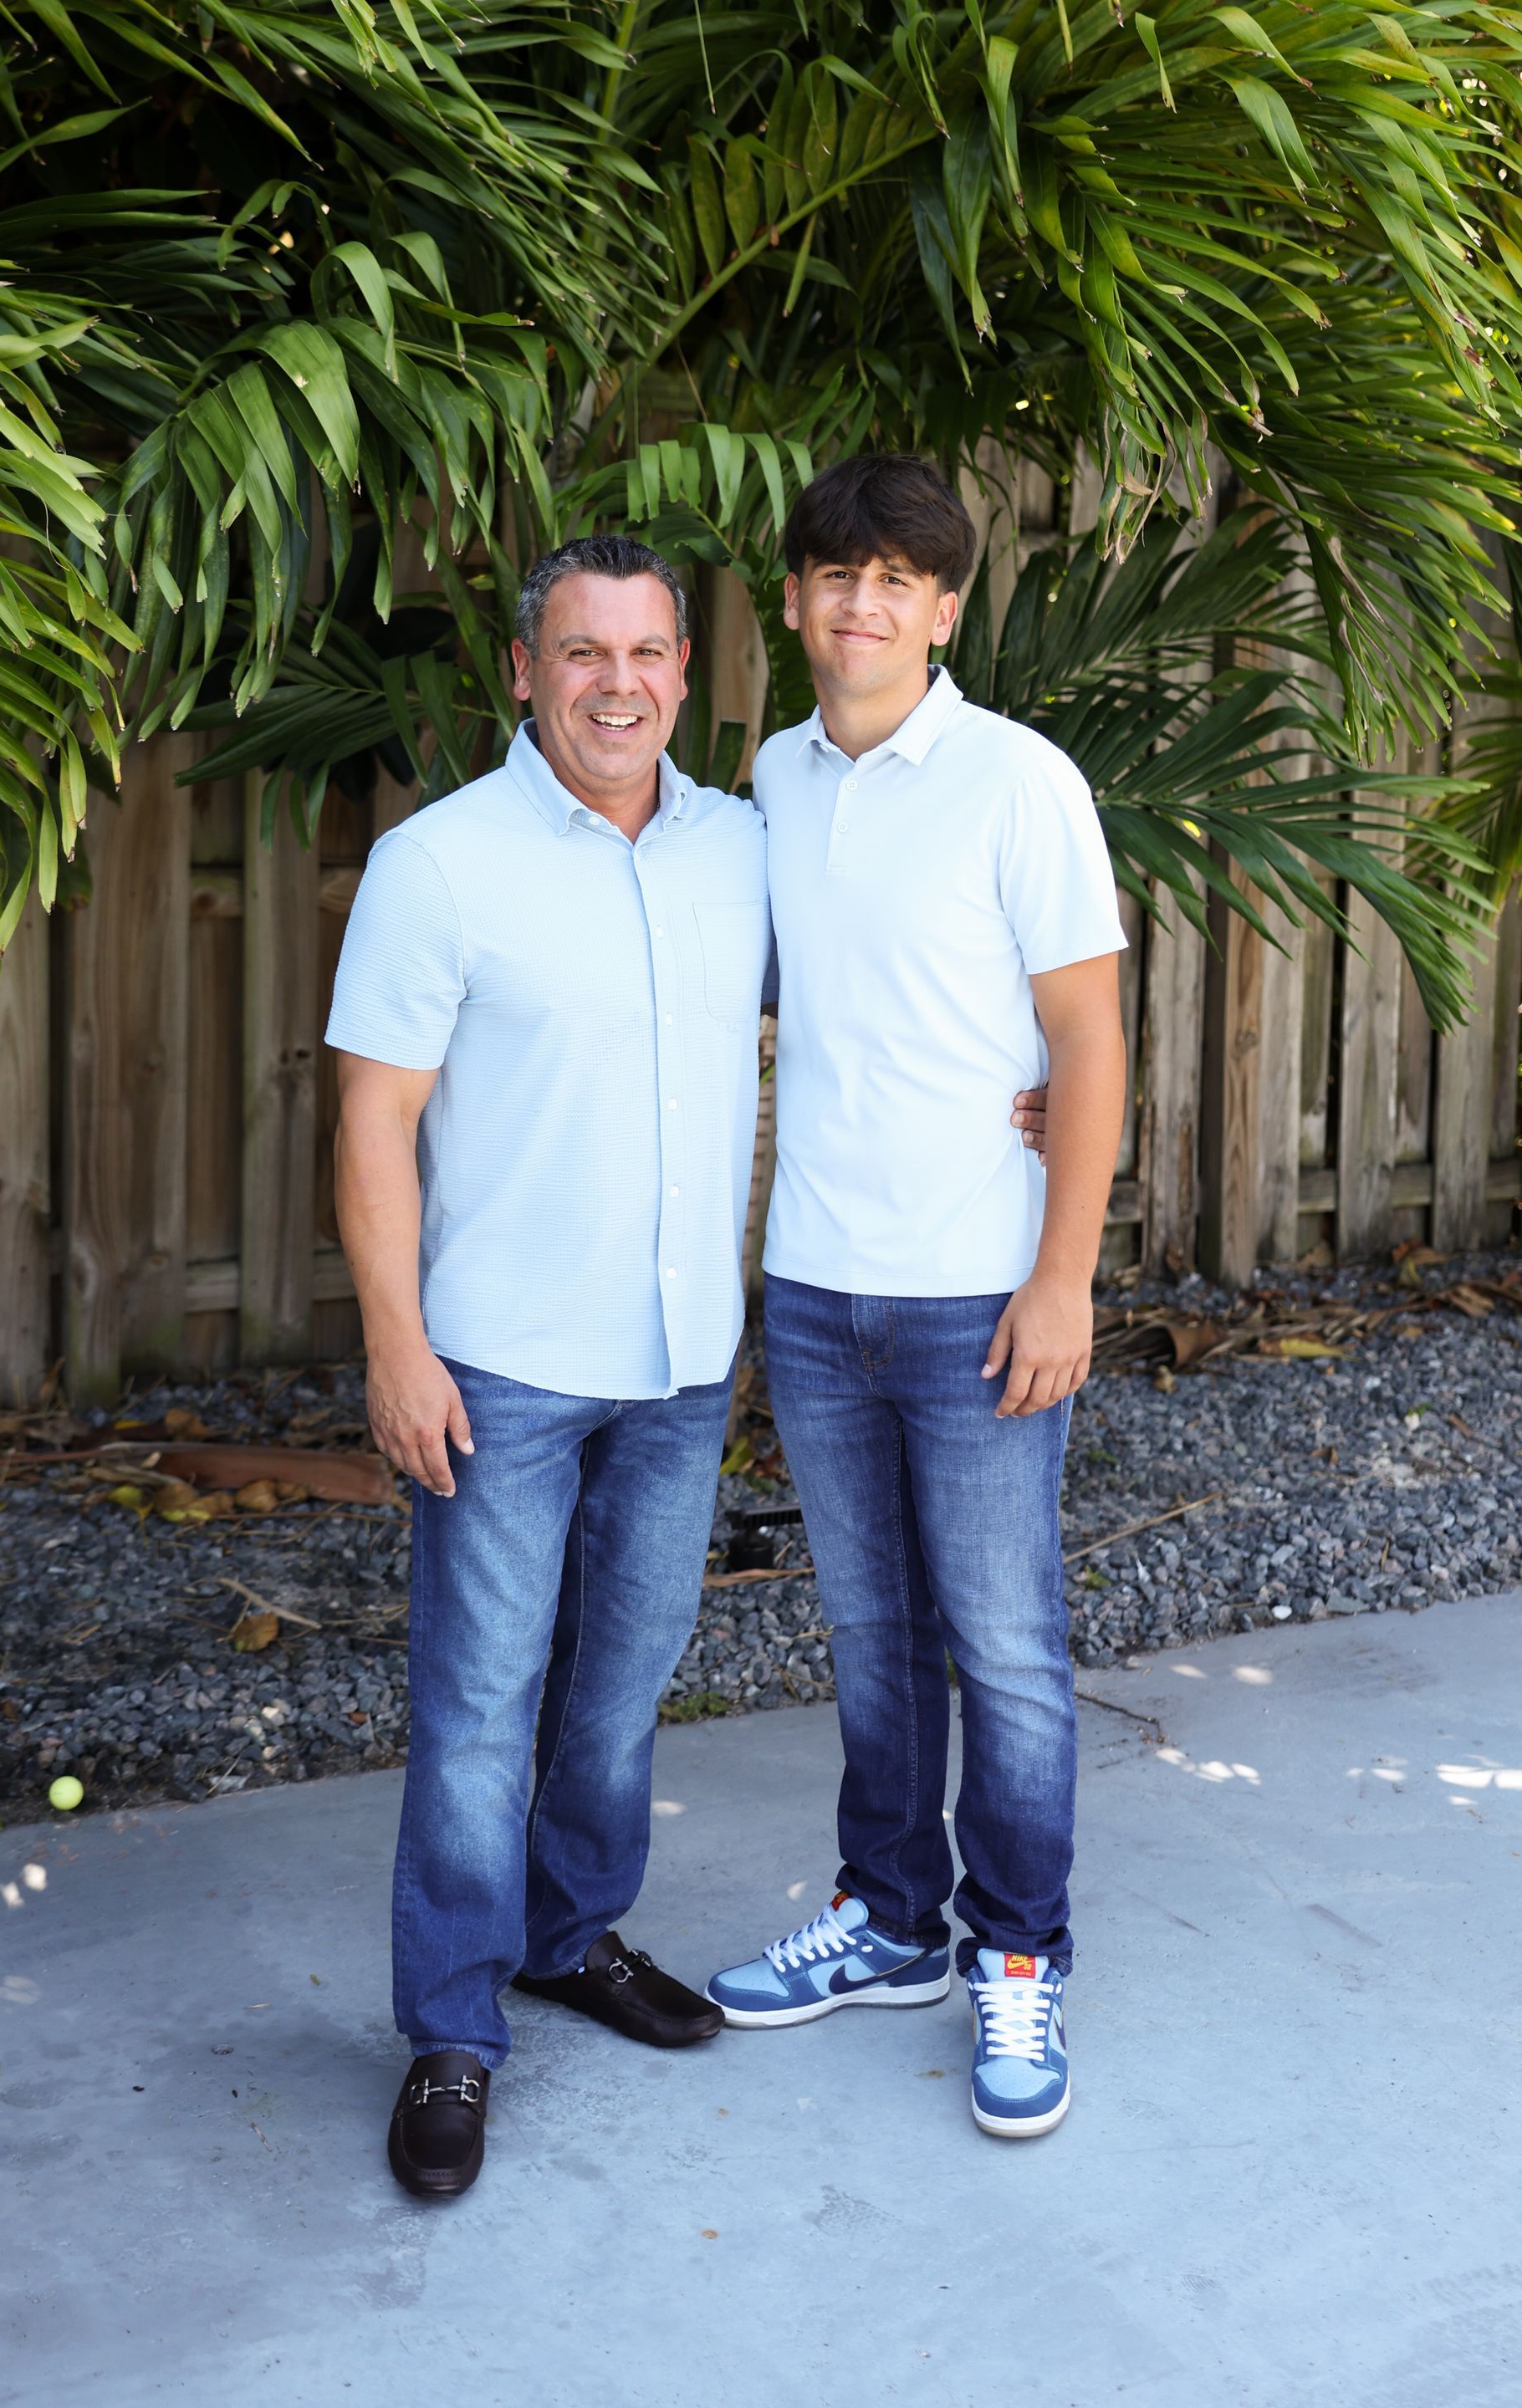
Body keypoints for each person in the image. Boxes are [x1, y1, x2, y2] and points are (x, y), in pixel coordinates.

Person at [327, 533, 772, 2198]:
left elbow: (882, 995)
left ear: (684, 673)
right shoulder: (440, 865)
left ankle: (571, 1937)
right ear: (524, 672)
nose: (617, 685)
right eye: (582, 653)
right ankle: (452, 2029)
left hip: (681, 1363)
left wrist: (1026, 1086)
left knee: (620, 1687)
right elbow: (373, 1120)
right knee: (476, 1713)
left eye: (647, 653)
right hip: (500, 1367)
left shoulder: (739, 851)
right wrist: (396, 1346)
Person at [706, 456, 1128, 2142]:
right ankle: (889, 1919)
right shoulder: (773, 776)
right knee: (874, 1637)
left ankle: (1016, 1956)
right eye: (837, 575)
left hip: (978, 1296)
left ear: (944, 610)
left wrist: (1062, 1276)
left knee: (1006, 1649)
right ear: (795, 601)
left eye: (898, 579)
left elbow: (1087, 1036)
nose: (863, 604)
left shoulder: (1021, 781)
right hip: (818, 1287)